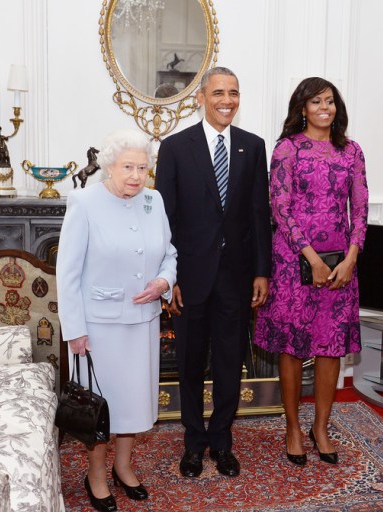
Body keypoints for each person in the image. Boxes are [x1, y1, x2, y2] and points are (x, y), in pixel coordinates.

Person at [155, 67, 272, 478]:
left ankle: (222, 441)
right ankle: (193, 443)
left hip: (237, 278)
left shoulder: (252, 147)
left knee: (228, 362)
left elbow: (260, 214)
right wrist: (170, 278)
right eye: (219, 92)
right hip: (189, 277)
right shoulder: (174, 148)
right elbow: (164, 220)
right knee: (188, 364)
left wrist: (262, 271)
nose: (227, 100)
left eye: (234, 93)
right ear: (201, 97)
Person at [57, 128, 177, 511]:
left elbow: (169, 253)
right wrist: (74, 330)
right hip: (99, 328)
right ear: (109, 165)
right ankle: (95, 475)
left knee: (132, 403)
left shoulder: (153, 200)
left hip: (143, 321)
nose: (136, 176)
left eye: (143, 167)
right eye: (128, 167)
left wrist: (164, 281)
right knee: (102, 406)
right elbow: (68, 272)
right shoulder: (84, 201)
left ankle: (124, 467)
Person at [253, 77, 368, 466]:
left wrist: (351, 257)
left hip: (341, 264)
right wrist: (312, 258)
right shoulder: (287, 149)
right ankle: (292, 427)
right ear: (302, 107)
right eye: (316, 101)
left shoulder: (351, 151)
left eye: (330, 101)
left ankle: (321, 426)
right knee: (292, 344)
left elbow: (361, 208)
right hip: (291, 260)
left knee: (330, 345)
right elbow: (279, 207)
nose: (325, 108)